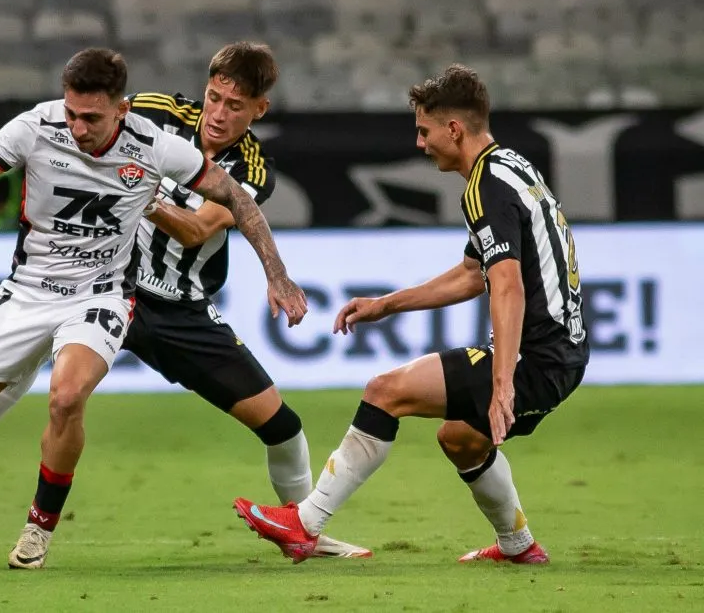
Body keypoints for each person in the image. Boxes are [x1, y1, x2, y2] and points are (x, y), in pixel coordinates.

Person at [0, 42, 371, 562]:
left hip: (178, 310)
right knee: (42, 369)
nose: (219, 114)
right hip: (109, 282)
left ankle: (302, 528)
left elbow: (195, 231)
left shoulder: (253, 169)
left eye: (236, 106)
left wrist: (140, 190)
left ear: (259, 110)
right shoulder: (157, 111)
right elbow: (99, 130)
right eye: (214, 98)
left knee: (283, 428)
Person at [233, 64, 590, 565]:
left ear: (454, 129)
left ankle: (305, 523)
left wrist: (504, 381)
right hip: (563, 353)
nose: (420, 143)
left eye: (425, 131)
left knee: (385, 391)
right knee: (461, 438)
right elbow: (473, 273)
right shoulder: (510, 165)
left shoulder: (485, 186)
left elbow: (505, 285)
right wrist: (386, 305)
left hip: (539, 358)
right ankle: (519, 547)